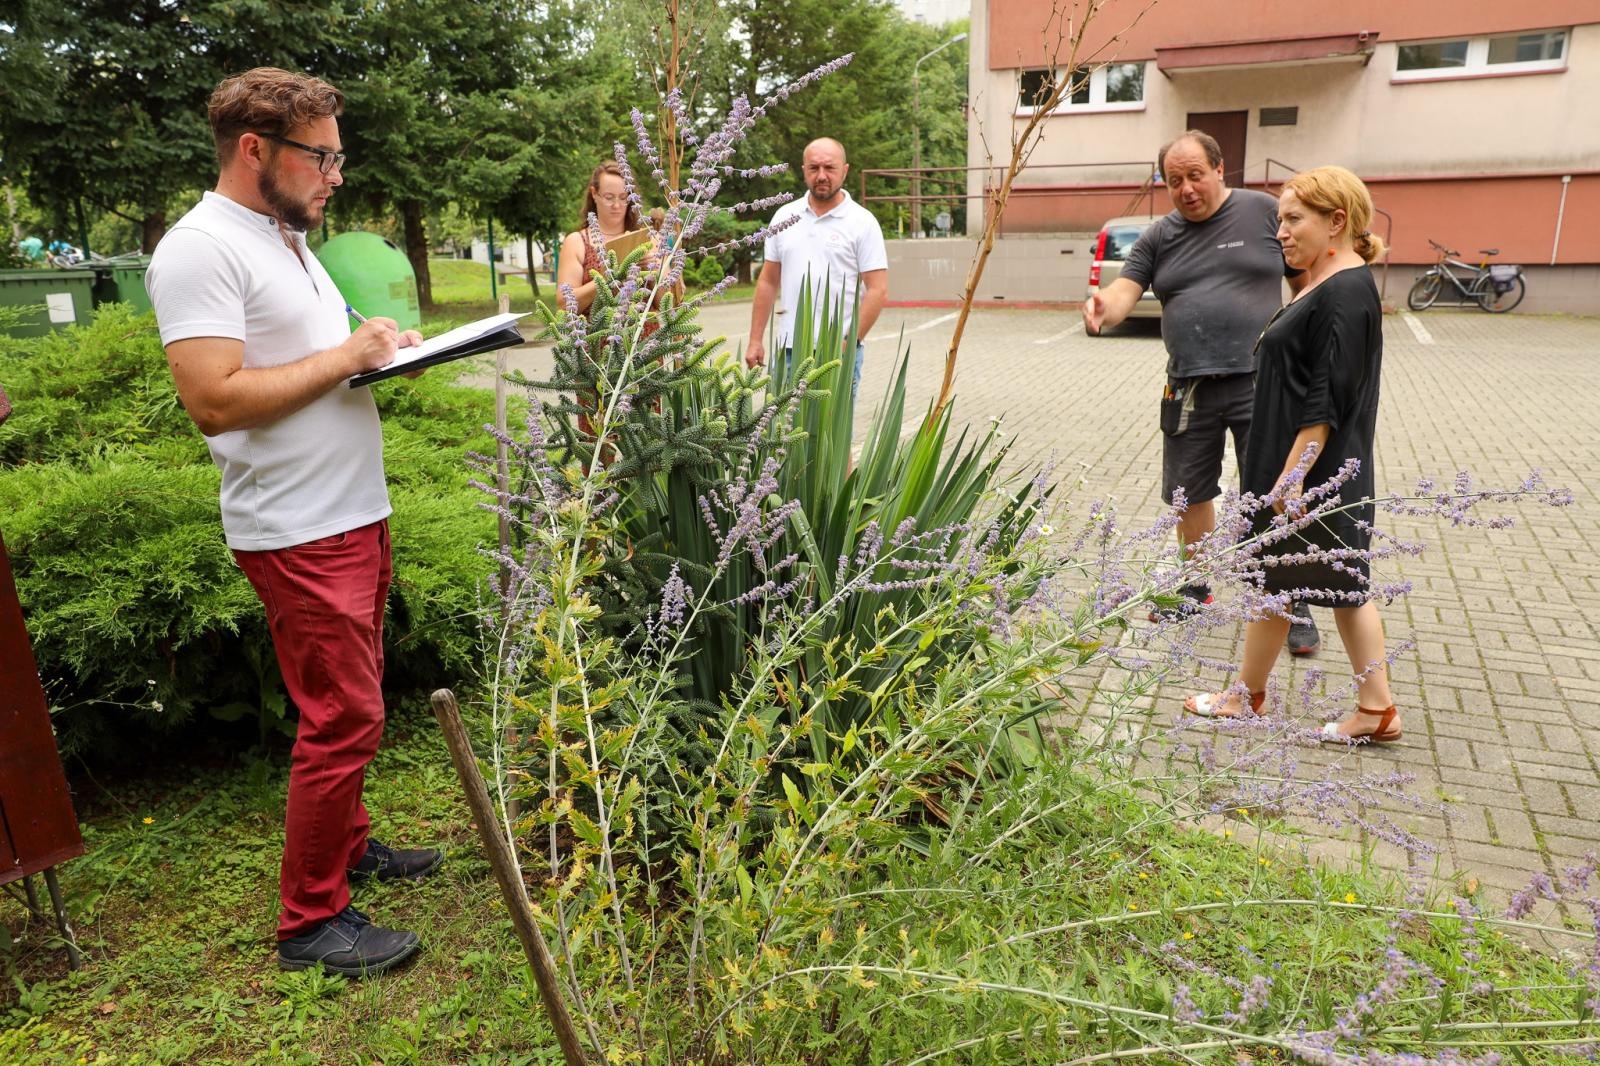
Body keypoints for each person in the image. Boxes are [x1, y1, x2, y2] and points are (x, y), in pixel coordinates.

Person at [146, 67, 442, 979]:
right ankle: (311, 922)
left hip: (352, 511)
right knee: (342, 714)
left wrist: (378, 354)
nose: (335, 175)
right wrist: (346, 356)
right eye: (322, 156)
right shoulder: (200, 250)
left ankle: (349, 847)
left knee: (357, 701)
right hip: (298, 529)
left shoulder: (284, 238)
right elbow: (212, 400)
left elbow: (312, 366)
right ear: (254, 150)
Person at [1083, 131, 1320, 656]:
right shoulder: (1158, 237)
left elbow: (1307, 274)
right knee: (1190, 493)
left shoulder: (1263, 212)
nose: (1186, 188)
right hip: (1187, 385)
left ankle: (1290, 597)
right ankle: (1196, 586)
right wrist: (1106, 306)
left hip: (1264, 381)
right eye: (1174, 181)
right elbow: (1126, 289)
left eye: (1195, 175)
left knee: (1276, 488)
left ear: (1219, 170)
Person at [1183, 166, 1399, 743]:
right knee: (1284, 585)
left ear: (1337, 221)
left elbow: (1327, 398)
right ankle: (1258, 697)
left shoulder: (1346, 291)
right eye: (1279, 218)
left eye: (1294, 219)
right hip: (1301, 470)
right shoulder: (1324, 282)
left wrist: (1293, 479)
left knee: (1340, 587)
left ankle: (1369, 708)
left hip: (1314, 474)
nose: (1280, 231)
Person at [745, 137, 888, 393]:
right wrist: (755, 339)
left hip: (838, 353)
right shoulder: (784, 217)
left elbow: (877, 290)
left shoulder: (863, 223)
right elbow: (768, 280)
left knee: (832, 434)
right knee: (782, 432)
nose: (821, 175)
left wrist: (849, 344)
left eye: (830, 168)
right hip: (788, 352)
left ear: (844, 170)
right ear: (804, 171)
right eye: (814, 168)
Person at [556, 160, 644, 317]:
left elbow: (672, 299)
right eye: (609, 197)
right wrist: (608, 276)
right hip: (598, 339)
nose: (617, 205)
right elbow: (564, 305)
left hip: (647, 339)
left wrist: (657, 266)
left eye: (623, 197)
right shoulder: (577, 242)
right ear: (594, 194)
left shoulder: (646, 237)